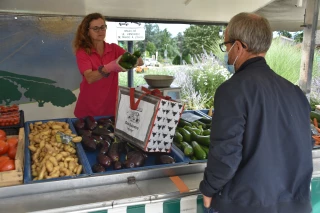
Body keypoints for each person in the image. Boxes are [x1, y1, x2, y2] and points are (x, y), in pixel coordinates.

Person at [200, 12, 313, 213]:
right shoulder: (295, 92)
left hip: (246, 206)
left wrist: (208, 189)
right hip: (295, 206)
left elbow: (226, 155)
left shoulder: (232, 90)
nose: (227, 52)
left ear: (239, 46)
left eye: (226, 45)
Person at [73, 13, 143, 118]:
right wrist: (109, 68)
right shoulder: (83, 52)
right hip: (88, 109)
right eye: (95, 28)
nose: (100, 31)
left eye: (103, 27)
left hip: (110, 108)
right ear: (87, 31)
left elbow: (139, 61)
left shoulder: (114, 49)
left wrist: (129, 65)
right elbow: (90, 78)